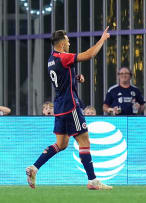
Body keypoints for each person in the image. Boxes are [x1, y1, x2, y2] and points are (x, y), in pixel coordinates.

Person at [26, 27, 112, 190]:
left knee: (61, 144)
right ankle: (92, 180)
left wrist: (75, 77)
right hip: (70, 106)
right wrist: (102, 40)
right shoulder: (63, 57)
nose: (69, 42)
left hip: (59, 106)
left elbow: (62, 77)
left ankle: (34, 168)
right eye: (68, 40)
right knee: (84, 140)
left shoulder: (51, 59)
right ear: (62, 43)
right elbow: (89, 55)